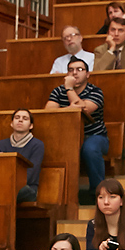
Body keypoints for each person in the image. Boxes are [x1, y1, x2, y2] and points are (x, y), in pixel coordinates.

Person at [45, 55, 108, 195]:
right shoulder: (57, 91)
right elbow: (49, 112)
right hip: (66, 136)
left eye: (80, 69)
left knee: (90, 149)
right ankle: (59, 195)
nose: (75, 72)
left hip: (94, 135)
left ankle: (98, 192)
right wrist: (69, 109)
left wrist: (69, 88)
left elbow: (83, 110)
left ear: (87, 74)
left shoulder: (95, 91)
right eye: (71, 70)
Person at [0, 108, 45, 203]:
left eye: (25, 118)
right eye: (17, 117)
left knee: (6, 192)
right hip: (4, 186)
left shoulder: (37, 145)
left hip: (28, 188)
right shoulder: (1, 145)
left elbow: (32, 173)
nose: (20, 120)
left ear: (31, 126)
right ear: (11, 123)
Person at [85, 178, 125, 250]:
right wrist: (99, 249)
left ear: (121, 201)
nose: (106, 202)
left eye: (112, 197)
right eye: (101, 197)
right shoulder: (93, 225)